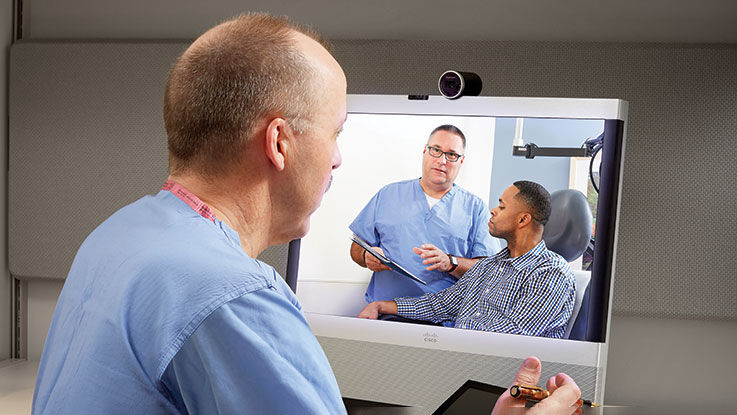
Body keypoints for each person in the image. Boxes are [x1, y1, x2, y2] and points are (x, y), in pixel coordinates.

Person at [31, 13, 582, 415]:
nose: (338, 157)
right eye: (335, 132)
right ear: (280, 143)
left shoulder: (115, 234)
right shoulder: (233, 298)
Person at [358, 181, 576, 338]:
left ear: (523, 219)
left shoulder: (551, 273)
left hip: (496, 373)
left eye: (502, 206)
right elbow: (442, 304)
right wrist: (382, 306)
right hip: (460, 356)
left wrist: (446, 344)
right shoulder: (490, 265)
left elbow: (513, 335)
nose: (493, 211)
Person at [349, 125, 501, 304]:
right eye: (436, 150)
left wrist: (451, 262)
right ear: (424, 152)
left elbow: (490, 271)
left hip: (442, 319)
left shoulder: (475, 208)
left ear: (461, 161)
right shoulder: (388, 195)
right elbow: (356, 249)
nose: (442, 160)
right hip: (384, 312)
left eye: (451, 155)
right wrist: (366, 257)